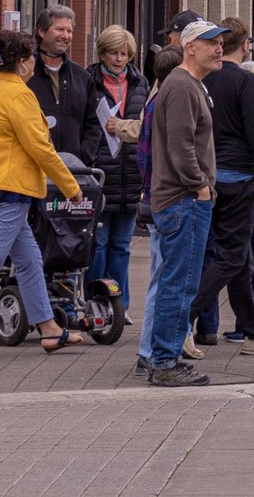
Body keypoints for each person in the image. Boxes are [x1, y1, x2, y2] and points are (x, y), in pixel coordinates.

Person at [0, 29, 87, 359]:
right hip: (10, 189)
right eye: (31, 58)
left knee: (28, 259)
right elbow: (41, 148)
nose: (34, 64)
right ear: (24, 62)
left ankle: (50, 329)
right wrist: (71, 187)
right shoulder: (20, 96)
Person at [191, 19, 254, 356]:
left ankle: (253, 332)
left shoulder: (200, 79)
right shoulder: (246, 81)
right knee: (233, 257)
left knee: (238, 259)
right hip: (237, 179)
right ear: (245, 44)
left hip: (206, 178)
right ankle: (180, 319)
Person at [141, 19, 225, 386]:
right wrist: (200, 186)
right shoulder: (181, 86)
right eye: (211, 43)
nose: (219, 48)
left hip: (184, 198)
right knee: (179, 283)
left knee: (179, 282)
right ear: (190, 47)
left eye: (221, 42)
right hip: (183, 199)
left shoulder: (187, 85)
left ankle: (166, 357)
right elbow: (181, 146)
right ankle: (163, 361)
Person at [90, 25, 150, 324]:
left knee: (122, 246)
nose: (119, 59)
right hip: (100, 173)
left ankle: (120, 305)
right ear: (102, 53)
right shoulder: (89, 81)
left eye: (124, 53)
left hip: (129, 174)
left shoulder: (140, 83)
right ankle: (96, 302)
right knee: (98, 244)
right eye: (113, 53)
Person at [27, 5, 109, 178]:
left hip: (74, 172)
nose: (65, 36)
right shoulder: (25, 75)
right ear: (42, 32)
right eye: (59, 29)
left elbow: (94, 122)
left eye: (69, 31)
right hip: (32, 172)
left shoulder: (82, 77)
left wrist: (84, 156)